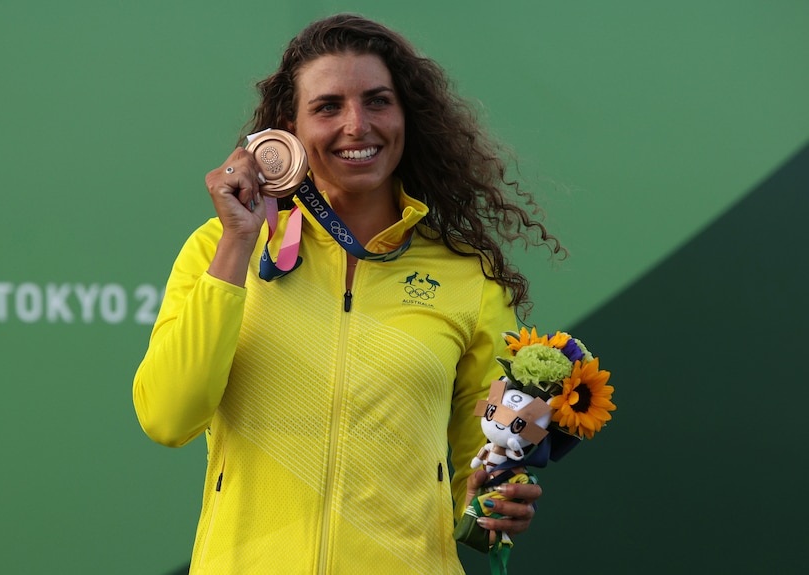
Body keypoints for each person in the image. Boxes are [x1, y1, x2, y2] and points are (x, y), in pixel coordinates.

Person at [133, 13, 563, 575]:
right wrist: (239, 242)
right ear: (286, 130)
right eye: (328, 105)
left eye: (378, 101)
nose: (357, 124)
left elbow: (472, 468)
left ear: (407, 115)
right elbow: (169, 418)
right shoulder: (219, 247)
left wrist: (492, 499)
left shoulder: (466, 275)